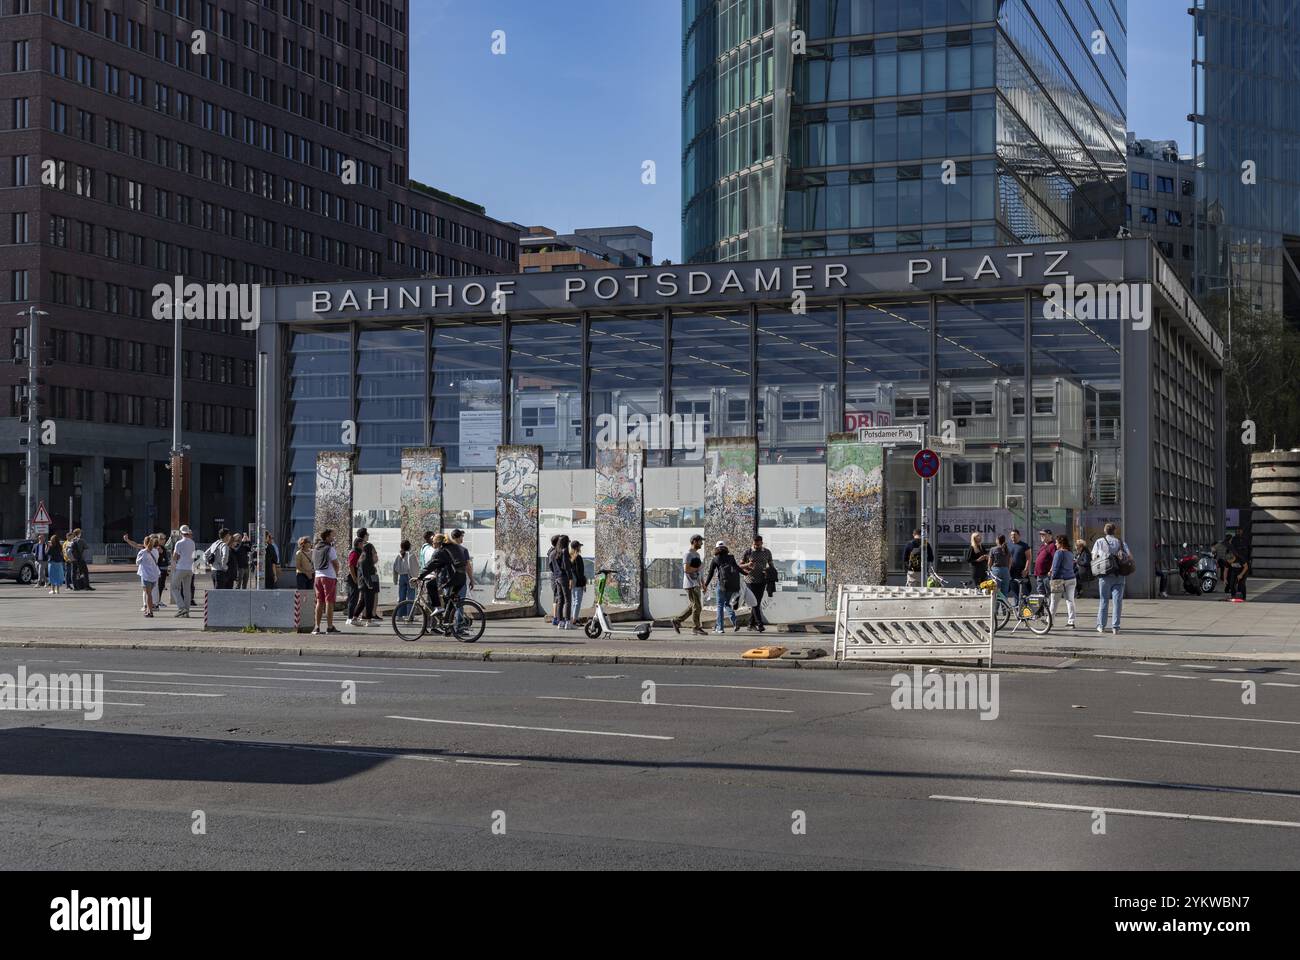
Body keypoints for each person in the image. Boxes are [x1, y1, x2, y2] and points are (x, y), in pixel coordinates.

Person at [1091, 522, 1133, 634]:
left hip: (1105, 576)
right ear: (1115, 531)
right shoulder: (1121, 542)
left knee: (1104, 601)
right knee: (1117, 602)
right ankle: (1116, 627)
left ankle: (1101, 626)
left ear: (1105, 531)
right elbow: (1129, 556)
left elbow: (1094, 556)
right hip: (1119, 575)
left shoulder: (1099, 541)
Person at [702, 541, 743, 634]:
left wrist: (705, 585)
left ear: (716, 549)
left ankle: (720, 628)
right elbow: (737, 568)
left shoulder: (715, 559)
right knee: (727, 604)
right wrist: (746, 573)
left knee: (720, 606)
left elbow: (710, 574)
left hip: (721, 585)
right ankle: (734, 621)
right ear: (725, 548)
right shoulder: (731, 557)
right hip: (731, 586)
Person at [671, 534, 706, 635]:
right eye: (700, 541)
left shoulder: (697, 555)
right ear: (694, 541)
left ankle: (677, 621)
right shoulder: (688, 554)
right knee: (697, 607)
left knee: (694, 606)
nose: (702, 543)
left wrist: (703, 584)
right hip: (690, 584)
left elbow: (700, 571)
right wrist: (697, 568)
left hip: (696, 583)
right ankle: (696, 627)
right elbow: (686, 569)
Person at [741, 535, 774, 632]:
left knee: (757, 602)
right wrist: (748, 565)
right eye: (755, 545)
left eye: (758, 545)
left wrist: (770, 572)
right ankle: (760, 624)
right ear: (753, 543)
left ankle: (750, 624)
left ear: (762, 543)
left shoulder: (767, 552)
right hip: (750, 580)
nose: (756, 546)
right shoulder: (748, 552)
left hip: (762, 580)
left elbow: (771, 565)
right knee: (755, 602)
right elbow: (740, 566)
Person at [311, 529, 341, 635]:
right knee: (329, 602)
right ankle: (329, 627)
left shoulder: (316, 548)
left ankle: (317, 627)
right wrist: (336, 574)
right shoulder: (330, 548)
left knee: (319, 602)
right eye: (332, 536)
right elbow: (336, 564)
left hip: (317, 577)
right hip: (329, 577)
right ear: (327, 537)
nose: (334, 538)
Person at [1048, 534, 1078, 628]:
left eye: (1056, 543)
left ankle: (1050, 621)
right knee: (1070, 600)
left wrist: (1052, 578)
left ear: (1061, 543)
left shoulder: (1059, 553)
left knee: (1054, 601)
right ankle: (1071, 621)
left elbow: (1056, 568)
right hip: (1071, 578)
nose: (1055, 545)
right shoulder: (1070, 553)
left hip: (1059, 580)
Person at [171, 525, 196, 617]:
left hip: (181, 567)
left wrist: (173, 564)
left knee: (174, 587)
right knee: (187, 590)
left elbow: (175, 556)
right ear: (188, 532)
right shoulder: (192, 542)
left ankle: (181, 608)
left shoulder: (179, 543)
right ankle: (187, 612)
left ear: (181, 533)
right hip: (190, 568)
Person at [551, 534, 574, 630]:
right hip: (564, 578)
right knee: (568, 600)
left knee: (560, 600)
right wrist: (571, 578)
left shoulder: (553, 552)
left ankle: (560, 622)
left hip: (557, 578)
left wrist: (556, 574)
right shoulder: (564, 551)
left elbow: (551, 566)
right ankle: (568, 622)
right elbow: (567, 566)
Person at [136, 535, 160, 618]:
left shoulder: (142, 552)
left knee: (148, 594)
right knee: (149, 594)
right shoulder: (156, 551)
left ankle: (150, 611)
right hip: (154, 575)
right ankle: (148, 610)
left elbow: (137, 563)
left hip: (146, 575)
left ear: (144, 543)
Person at [357, 540, 380, 625]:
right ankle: (369, 620)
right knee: (369, 602)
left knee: (363, 602)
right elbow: (365, 574)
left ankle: (355, 618)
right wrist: (369, 584)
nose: (374, 551)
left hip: (368, 583)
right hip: (366, 584)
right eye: (373, 550)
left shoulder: (367, 559)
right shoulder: (364, 559)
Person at [345, 534, 365, 626]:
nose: (363, 545)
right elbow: (351, 566)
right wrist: (355, 578)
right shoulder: (354, 552)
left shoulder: (358, 552)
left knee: (354, 598)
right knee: (353, 598)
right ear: (359, 544)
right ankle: (350, 618)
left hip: (356, 577)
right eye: (362, 543)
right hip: (353, 578)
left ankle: (351, 617)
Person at [1225, 533, 1250, 602]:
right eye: (1229, 562)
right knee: (1232, 583)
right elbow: (1226, 570)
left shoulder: (1240, 558)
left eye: (1231, 561)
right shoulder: (1228, 560)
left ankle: (1243, 597)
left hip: (1243, 570)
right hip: (1235, 571)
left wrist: (1241, 574)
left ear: (1234, 557)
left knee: (1241, 584)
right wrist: (1225, 579)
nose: (1230, 562)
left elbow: (1246, 567)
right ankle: (1233, 596)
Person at [1007, 529, 1029, 603]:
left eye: (1015, 535)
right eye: (1012, 535)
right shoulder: (1008, 545)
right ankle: (1017, 609)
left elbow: (1029, 558)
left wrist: (1026, 569)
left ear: (1019, 535)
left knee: (1024, 592)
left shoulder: (1024, 545)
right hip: (1011, 572)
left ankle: (1026, 608)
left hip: (1021, 572)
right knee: (1014, 591)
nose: (1013, 536)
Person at [1033, 529, 1057, 596]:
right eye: (1041, 535)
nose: (1041, 536)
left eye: (1043, 535)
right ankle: (1043, 606)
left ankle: (1049, 606)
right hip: (1039, 574)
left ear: (1050, 536)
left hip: (1047, 575)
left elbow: (1055, 559)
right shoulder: (1043, 546)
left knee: (1049, 594)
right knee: (1041, 594)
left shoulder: (1052, 545)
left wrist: (1051, 570)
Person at [392, 539, 415, 606]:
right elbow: (414, 568)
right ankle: (409, 614)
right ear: (409, 546)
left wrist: (395, 580)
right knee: (411, 596)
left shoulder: (398, 556)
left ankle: (400, 614)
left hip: (401, 577)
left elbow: (394, 568)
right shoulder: (411, 555)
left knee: (401, 596)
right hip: (410, 576)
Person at [569, 541, 587, 626]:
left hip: (572, 582)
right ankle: (575, 620)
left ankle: (574, 617)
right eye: (579, 546)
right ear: (577, 548)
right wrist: (583, 583)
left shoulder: (570, 557)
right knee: (577, 601)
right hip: (578, 583)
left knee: (574, 601)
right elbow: (580, 572)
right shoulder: (578, 558)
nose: (580, 548)